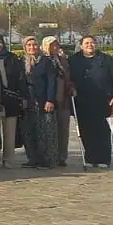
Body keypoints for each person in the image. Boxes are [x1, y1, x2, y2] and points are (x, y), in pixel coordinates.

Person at [69, 35, 113, 169]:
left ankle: (103, 158)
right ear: (81, 46)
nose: (89, 45)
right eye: (86, 43)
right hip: (82, 101)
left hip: (104, 100)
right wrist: (71, 87)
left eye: (92, 43)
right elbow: (67, 77)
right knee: (86, 131)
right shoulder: (74, 60)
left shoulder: (106, 59)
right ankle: (90, 158)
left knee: (103, 130)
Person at [0, 33, 26, 168]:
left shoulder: (12, 58)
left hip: (11, 100)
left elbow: (20, 79)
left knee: (10, 132)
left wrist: (23, 97)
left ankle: (8, 159)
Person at [20, 35, 57, 169]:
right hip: (28, 101)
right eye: (29, 45)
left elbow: (52, 81)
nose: (32, 48)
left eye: (34, 45)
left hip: (43, 100)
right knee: (29, 131)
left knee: (46, 132)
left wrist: (50, 100)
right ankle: (33, 158)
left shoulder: (46, 61)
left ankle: (47, 160)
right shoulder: (22, 61)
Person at [43, 37, 75, 166]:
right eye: (51, 46)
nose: (54, 48)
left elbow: (69, 77)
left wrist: (72, 87)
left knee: (63, 129)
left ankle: (62, 156)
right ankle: (51, 155)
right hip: (48, 100)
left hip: (63, 99)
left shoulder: (63, 61)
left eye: (56, 45)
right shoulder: (43, 60)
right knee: (50, 130)